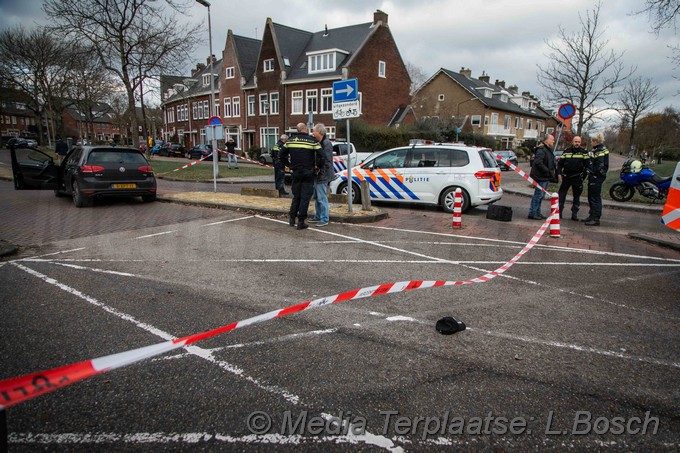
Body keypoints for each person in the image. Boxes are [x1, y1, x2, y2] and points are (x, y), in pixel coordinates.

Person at [279, 123, 322, 230]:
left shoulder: (290, 141)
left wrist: (288, 165)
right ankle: (301, 221)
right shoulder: (312, 141)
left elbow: (280, 155)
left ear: (297, 130)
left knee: (296, 196)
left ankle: (292, 218)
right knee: (305, 197)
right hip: (308, 172)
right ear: (305, 129)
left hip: (296, 172)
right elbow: (322, 156)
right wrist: (318, 167)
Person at [557, 136, 588, 221]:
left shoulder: (584, 152)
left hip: (577, 178)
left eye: (578, 142)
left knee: (576, 197)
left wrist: (583, 177)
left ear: (580, 142)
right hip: (566, 177)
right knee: (562, 195)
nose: (577, 143)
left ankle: (574, 214)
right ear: (572, 142)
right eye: (575, 141)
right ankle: (559, 213)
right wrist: (559, 173)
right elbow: (560, 164)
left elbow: (587, 166)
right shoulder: (567, 151)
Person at [527, 134, 557, 220]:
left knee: (541, 195)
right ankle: (533, 212)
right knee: (538, 195)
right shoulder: (541, 150)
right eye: (552, 139)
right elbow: (538, 162)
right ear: (546, 140)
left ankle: (537, 212)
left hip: (545, 176)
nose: (553, 141)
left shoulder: (547, 150)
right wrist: (547, 171)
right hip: (540, 176)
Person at [583, 134, 609, 226]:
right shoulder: (597, 150)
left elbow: (599, 165)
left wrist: (594, 174)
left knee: (594, 197)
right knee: (591, 196)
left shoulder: (600, 150)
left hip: (596, 177)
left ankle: (595, 218)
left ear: (595, 141)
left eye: (592, 141)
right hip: (595, 176)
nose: (591, 143)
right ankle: (592, 215)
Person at [310, 124, 333, 227]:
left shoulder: (326, 144)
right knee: (316, 196)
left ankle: (324, 218)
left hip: (322, 174)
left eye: (314, 131)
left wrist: (320, 171)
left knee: (321, 197)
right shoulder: (318, 142)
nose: (312, 133)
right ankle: (318, 216)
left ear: (319, 132)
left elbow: (327, 160)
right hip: (317, 174)